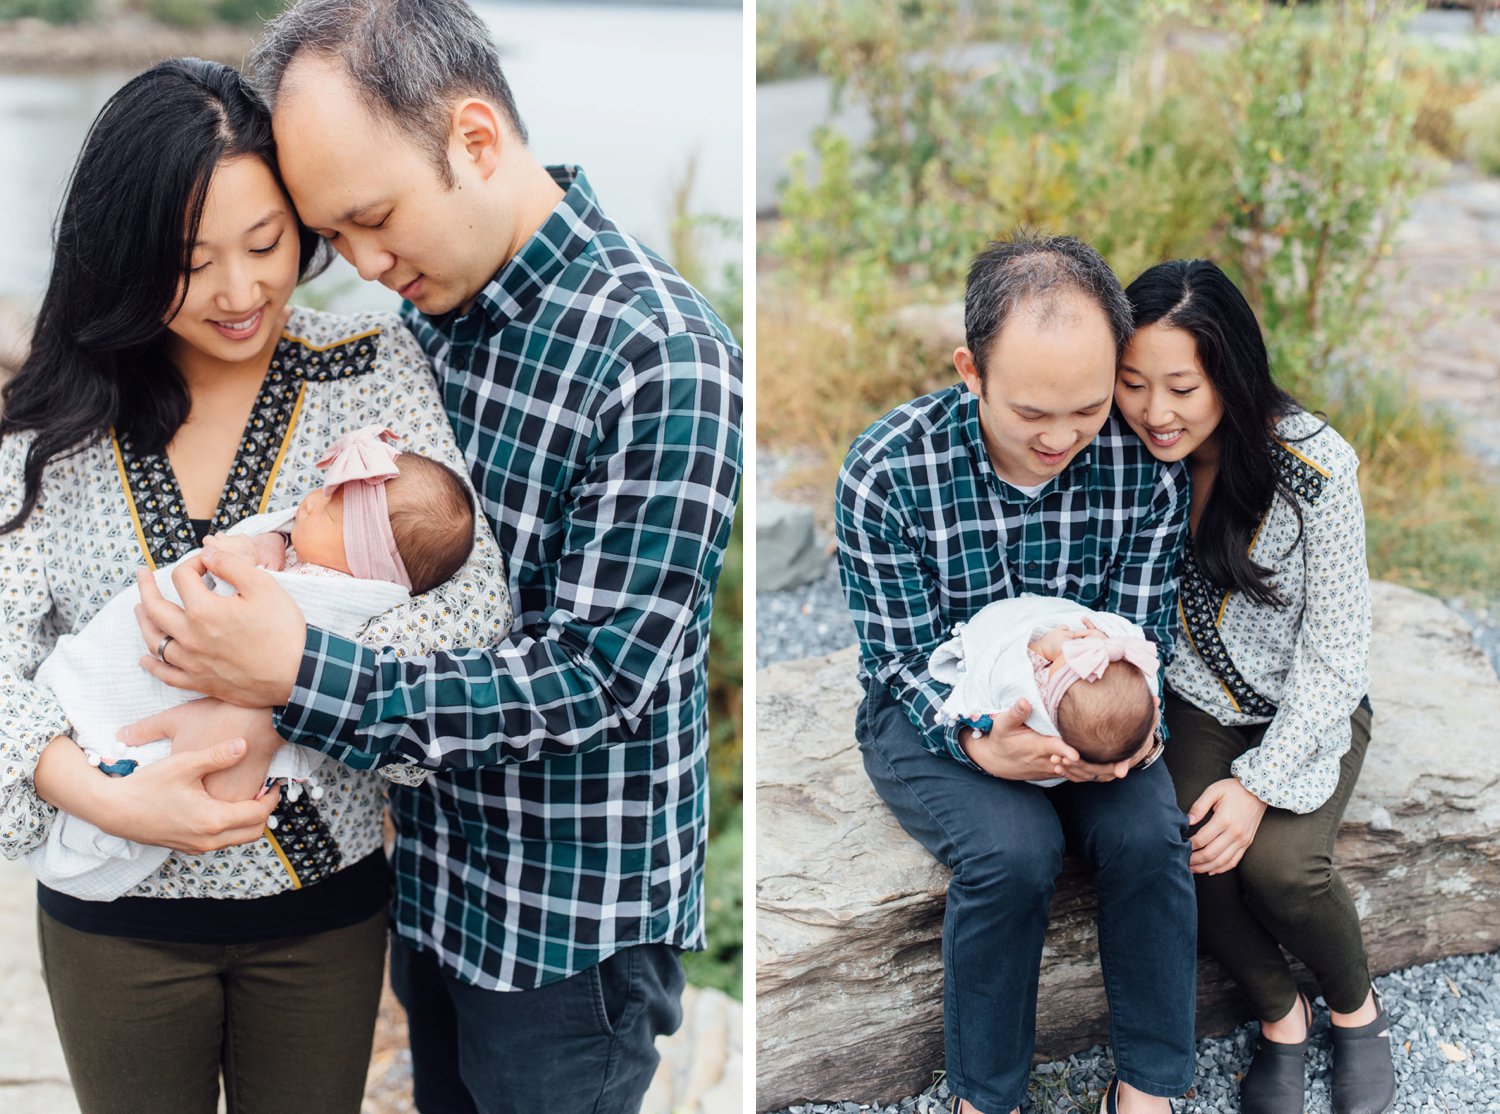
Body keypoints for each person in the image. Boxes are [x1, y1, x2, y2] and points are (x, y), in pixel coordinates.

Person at [127, 3, 743, 1111]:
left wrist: (298, 671)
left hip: (568, 931)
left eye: (374, 218)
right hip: (434, 891)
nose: (362, 265)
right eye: (333, 235)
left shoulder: (662, 355)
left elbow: (595, 678)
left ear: (473, 138)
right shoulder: (424, 324)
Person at [0, 57, 509, 1113]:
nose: (241, 293)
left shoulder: (364, 366)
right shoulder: (54, 428)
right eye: (191, 263)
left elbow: (468, 617)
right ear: (127, 259)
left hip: (320, 912)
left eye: (268, 245)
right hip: (114, 930)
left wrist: (283, 679)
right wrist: (108, 798)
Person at [836, 231, 1195, 1114]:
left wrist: (1133, 730)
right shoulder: (886, 471)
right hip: (939, 702)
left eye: (1087, 406)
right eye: (1033, 413)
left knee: (1151, 838)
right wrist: (977, 741)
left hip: (1093, 702)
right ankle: (986, 1097)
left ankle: (1150, 1085)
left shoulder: (1141, 466)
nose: (1064, 436)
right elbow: (898, 660)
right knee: (1013, 851)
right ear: (971, 370)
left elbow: (1146, 628)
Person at [1116, 259, 1394, 1114]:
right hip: (1196, 702)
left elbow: (1339, 650)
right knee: (1178, 850)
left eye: (1181, 387)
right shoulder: (1124, 457)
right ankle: (1282, 1015)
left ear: (1228, 376)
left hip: (1311, 707)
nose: (1155, 412)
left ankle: (1358, 1012)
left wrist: (1257, 786)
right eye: (1132, 384)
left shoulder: (1315, 468)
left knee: (1282, 870)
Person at [31, 429, 477, 903]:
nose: (307, 503)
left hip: (315, 887)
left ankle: (111, 813)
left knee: (193, 771)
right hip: (127, 672)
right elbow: (235, 555)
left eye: (329, 511)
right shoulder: (295, 551)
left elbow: (279, 627)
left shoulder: (336, 598)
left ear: (364, 563)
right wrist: (258, 546)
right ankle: (105, 801)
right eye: (325, 494)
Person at [929, 596, 1162, 776]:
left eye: (1076, 655)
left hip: (1023, 756)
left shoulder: (1034, 690)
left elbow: (1007, 670)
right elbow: (1135, 644)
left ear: (1051, 681)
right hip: (998, 756)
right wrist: (1106, 636)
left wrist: (1041, 647)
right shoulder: (1088, 700)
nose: (1082, 642)